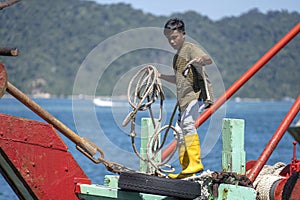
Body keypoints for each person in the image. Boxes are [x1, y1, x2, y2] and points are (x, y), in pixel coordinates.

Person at [158, 18, 214, 179]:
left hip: (196, 96)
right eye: (169, 38)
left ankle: (195, 163)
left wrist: (200, 60)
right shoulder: (176, 58)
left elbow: (207, 59)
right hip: (183, 101)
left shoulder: (190, 48)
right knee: (178, 132)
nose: (172, 41)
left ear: (183, 34)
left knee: (188, 125)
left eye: (174, 37)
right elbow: (177, 79)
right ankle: (186, 168)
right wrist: (160, 76)